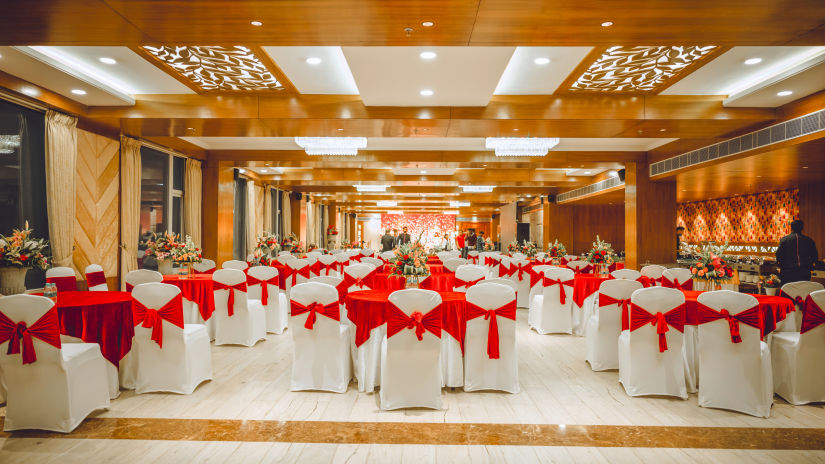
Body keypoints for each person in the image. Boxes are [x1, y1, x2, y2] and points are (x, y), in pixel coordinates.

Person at [776, 219, 819, 284]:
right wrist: (809, 265)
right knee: (802, 292)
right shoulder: (809, 240)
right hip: (804, 272)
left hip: (787, 272)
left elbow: (778, 255)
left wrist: (781, 264)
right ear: (802, 228)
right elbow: (815, 257)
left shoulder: (784, 240)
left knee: (787, 292)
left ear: (791, 228)